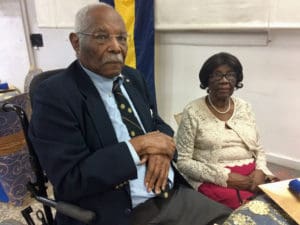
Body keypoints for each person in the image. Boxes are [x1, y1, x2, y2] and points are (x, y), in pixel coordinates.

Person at [28, 3, 231, 225]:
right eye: (102, 37)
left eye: (122, 38)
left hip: (172, 193)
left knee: (236, 220)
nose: (116, 47)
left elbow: (157, 124)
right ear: (76, 42)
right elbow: (71, 179)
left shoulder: (133, 78)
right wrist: (138, 146)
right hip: (121, 212)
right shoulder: (54, 96)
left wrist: (161, 153)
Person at [176, 52, 279, 210]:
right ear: (207, 80)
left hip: (253, 175)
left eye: (230, 75)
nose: (224, 81)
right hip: (213, 179)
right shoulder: (193, 111)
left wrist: (261, 170)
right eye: (217, 75)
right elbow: (183, 162)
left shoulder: (245, 107)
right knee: (251, 211)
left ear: (236, 80)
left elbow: (258, 149)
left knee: (282, 202)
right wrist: (225, 177)